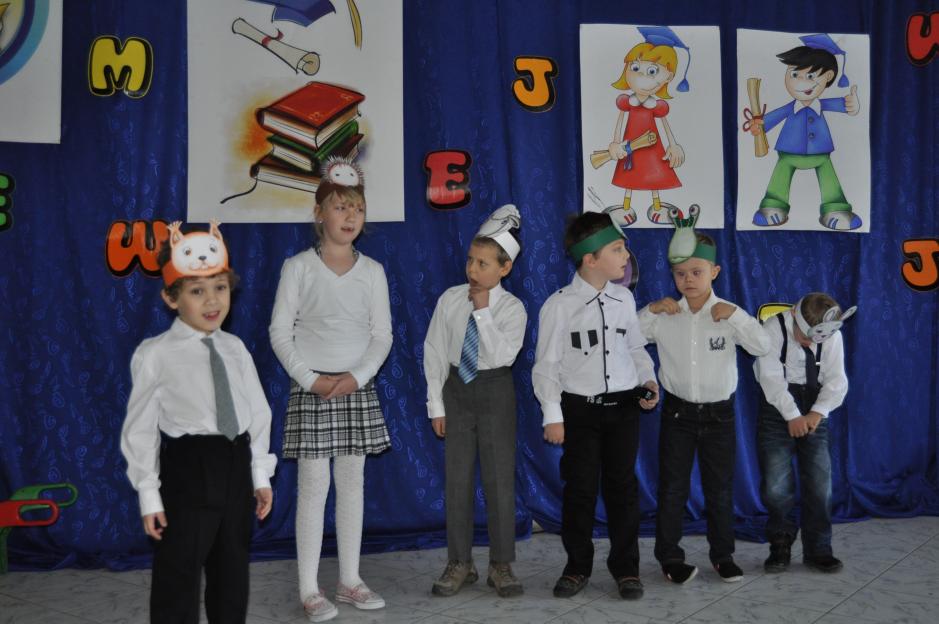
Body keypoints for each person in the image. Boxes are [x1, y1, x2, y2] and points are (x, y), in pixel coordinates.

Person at [121, 221, 276, 624]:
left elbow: (258, 412)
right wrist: (149, 494)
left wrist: (259, 473)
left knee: (232, 572)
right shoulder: (155, 354)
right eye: (196, 291)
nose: (212, 301)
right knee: (178, 572)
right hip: (188, 469)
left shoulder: (235, 347)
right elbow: (140, 429)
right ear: (171, 298)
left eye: (220, 288)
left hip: (235, 464)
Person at [269, 158, 392, 622]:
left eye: (357, 208)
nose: (349, 216)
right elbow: (280, 332)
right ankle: (308, 587)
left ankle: (349, 579)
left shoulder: (373, 271)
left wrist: (357, 377)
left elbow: (382, 335)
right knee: (313, 486)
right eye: (340, 207)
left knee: (352, 484)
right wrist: (311, 379)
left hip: (355, 388)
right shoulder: (298, 268)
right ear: (319, 213)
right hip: (313, 389)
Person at [533, 211, 659, 600]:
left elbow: (635, 348)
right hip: (580, 411)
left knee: (623, 488)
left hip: (623, 409)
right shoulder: (559, 306)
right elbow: (546, 366)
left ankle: (626, 567)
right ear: (590, 258)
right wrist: (553, 414)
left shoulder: (624, 299)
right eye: (617, 249)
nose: (626, 256)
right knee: (580, 490)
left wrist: (648, 380)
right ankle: (577, 565)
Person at [639, 218, 770, 585]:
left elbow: (762, 346)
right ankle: (669, 557)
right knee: (672, 489)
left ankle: (722, 556)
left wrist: (738, 316)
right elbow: (627, 337)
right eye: (680, 274)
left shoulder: (727, 313)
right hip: (677, 414)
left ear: (714, 271)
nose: (689, 280)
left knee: (720, 490)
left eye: (697, 272)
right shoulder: (666, 314)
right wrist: (650, 310)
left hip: (719, 416)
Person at [424, 204, 527, 598]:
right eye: (470, 260)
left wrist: (483, 313)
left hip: (495, 388)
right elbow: (434, 350)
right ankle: (459, 561)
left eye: (483, 263)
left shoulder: (512, 309)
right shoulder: (450, 299)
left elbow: (503, 356)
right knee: (457, 480)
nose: (473, 269)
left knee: (499, 479)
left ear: (504, 268)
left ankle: (501, 564)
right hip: (457, 389)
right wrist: (436, 405)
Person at [753, 293, 855, 573]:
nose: (811, 343)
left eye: (818, 338)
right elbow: (770, 378)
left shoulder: (831, 335)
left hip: (815, 404)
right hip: (777, 406)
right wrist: (792, 415)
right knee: (776, 484)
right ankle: (780, 543)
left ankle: (818, 548)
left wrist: (817, 412)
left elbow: (836, 381)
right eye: (806, 335)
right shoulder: (773, 328)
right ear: (794, 315)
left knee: (820, 482)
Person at [745, 33, 862, 230]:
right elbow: (771, 118)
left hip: (820, 155)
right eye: (794, 75)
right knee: (780, 174)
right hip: (788, 154)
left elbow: (845, 105)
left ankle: (836, 208)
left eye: (810, 76)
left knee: (829, 176)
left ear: (828, 77)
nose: (799, 83)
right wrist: (759, 125)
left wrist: (852, 104)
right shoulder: (790, 108)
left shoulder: (822, 105)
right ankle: (773, 205)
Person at [607, 25, 690, 225]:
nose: (641, 77)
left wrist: (673, 145)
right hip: (630, 146)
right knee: (629, 175)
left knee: (655, 174)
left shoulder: (657, 106)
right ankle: (626, 207)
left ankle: (658, 206)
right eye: (635, 68)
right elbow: (619, 124)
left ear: (669, 77)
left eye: (652, 71)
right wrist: (616, 143)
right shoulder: (626, 102)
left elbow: (665, 126)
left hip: (653, 147)